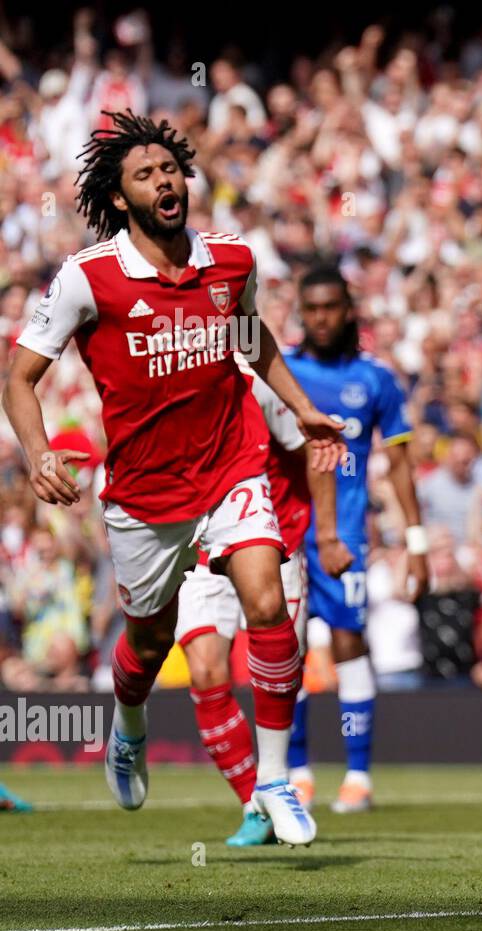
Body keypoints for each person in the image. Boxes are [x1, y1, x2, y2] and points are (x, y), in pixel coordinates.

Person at [1, 110, 344, 845]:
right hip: (145, 495)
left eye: (170, 169)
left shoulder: (231, 259)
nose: (165, 181)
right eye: (146, 174)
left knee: (264, 598)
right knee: (149, 643)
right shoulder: (88, 277)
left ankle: (275, 780)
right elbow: (20, 377)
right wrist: (36, 452)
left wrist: (303, 409)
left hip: (229, 466)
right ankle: (128, 720)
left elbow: (251, 337)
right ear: (120, 198)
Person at [175, 360, 353, 846]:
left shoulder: (253, 384)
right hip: (196, 547)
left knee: (279, 676)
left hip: (270, 543)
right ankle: (254, 805)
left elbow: (313, 451)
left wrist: (329, 534)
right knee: (206, 670)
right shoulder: (156, 379)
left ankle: (280, 777)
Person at [282, 265, 428, 814]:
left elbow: (399, 464)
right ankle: (296, 774)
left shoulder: (376, 379)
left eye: (330, 307)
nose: (320, 318)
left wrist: (415, 543)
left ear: (349, 310)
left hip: (346, 536)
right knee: (286, 649)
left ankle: (358, 776)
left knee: (348, 643)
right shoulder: (283, 371)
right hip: (286, 531)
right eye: (311, 308)